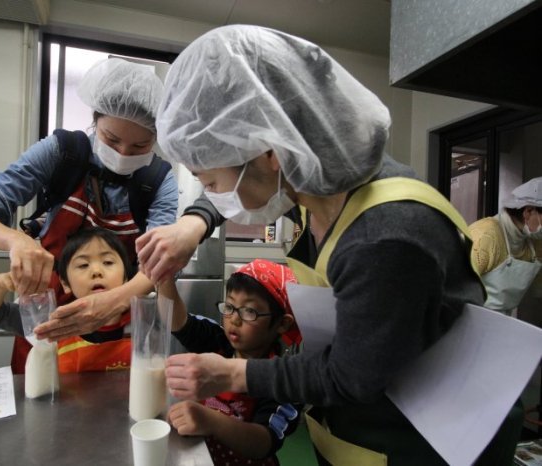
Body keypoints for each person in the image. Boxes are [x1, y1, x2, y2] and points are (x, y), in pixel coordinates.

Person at [136, 25, 523, 465]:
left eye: (212, 181)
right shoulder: (309, 187)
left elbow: (351, 376)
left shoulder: (387, 234)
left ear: (270, 152)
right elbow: (235, 192)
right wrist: (192, 227)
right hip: (353, 429)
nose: (216, 193)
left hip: (421, 443)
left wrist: (232, 372)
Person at [0, 58, 178, 372]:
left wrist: (115, 302)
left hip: (117, 314)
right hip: (47, 317)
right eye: (111, 140)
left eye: (140, 145)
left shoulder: (157, 178)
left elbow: (161, 260)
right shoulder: (65, 152)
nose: (124, 154)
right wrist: (17, 241)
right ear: (95, 120)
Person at [158, 259, 301, 465]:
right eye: (231, 306)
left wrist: (211, 421)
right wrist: (165, 276)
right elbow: (176, 320)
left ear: (282, 323)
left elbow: (264, 442)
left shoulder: (285, 379)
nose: (234, 319)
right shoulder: (219, 341)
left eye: (249, 311)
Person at [0, 228, 134, 372]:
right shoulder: (50, 321)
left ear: (126, 278)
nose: (97, 271)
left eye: (108, 262)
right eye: (83, 265)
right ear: (65, 283)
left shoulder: (144, 319)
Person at [469, 177, 542, 315]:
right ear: (528, 211)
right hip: (467, 318)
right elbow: (451, 287)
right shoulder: (486, 236)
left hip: (503, 320)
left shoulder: (535, 243)